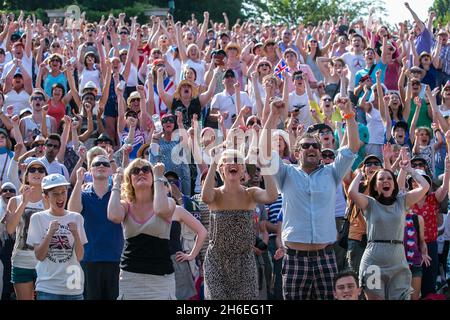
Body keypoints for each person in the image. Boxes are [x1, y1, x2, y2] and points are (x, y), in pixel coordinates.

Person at [261, 93, 359, 300]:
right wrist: (272, 115)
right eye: (305, 146)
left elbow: (352, 147)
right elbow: (264, 151)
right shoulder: (286, 173)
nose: (311, 148)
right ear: (297, 154)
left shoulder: (332, 173)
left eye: (315, 145)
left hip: (325, 256)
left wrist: (348, 114)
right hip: (295, 258)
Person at [348, 149, 430, 300]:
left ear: (394, 185)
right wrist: (359, 174)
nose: (385, 181)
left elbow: (424, 187)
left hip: (398, 261)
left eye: (389, 179)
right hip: (373, 261)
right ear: (374, 185)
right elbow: (352, 192)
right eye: (381, 179)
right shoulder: (369, 203)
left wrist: (409, 170)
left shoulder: (402, 201)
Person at [201, 148, 278, 300]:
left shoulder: (251, 193)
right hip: (217, 260)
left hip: (244, 260)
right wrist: (214, 163)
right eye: (227, 161)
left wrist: (264, 165)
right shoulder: (215, 193)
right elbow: (206, 197)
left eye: (237, 161)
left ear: (243, 170)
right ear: (221, 169)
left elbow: (271, 195)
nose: (232, 163)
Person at [107, 159, 176, 300]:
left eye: (146, 169)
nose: (141, 173)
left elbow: (161, 210)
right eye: (135, 171)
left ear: (153, 175)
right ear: (129, 179)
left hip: (161, 279)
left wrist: (158, 178)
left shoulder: (168, 202)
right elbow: (114, 216)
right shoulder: (125, 205)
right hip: (130, 279)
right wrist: (116, 184)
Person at [67, 155, 124, 300]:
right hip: (89, 258)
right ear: (90, 171)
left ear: (110, 170)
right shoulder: (83, 194)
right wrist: (79, 181)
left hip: (115, 258)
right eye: (96, 163)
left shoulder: (117, 194)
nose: (101, 166)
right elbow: (73, 211)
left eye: (105, 163)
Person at [26, 174, 87, 300]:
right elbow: (39, 256)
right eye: (55, 194)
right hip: (47, 287)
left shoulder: (77, 218)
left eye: (63, 192)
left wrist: (75, 233)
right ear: (46, 196)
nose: (60, 197)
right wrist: (49, 233)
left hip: (73, 287)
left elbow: (80, 256)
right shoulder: (37, 218)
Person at [5, 159, 48, 300]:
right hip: (21, 261)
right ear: (26, 175)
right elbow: (10, 229)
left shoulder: (50, 200)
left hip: (45, 262)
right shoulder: (15, 201)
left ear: (46, 175)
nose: (37, 172)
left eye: (41, 170)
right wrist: (24, 202)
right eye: (32, 169)